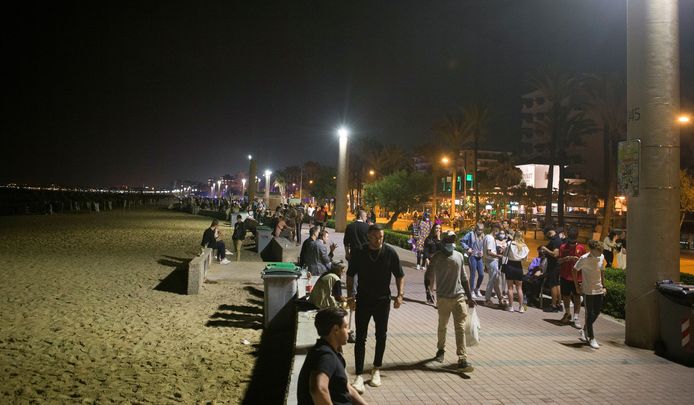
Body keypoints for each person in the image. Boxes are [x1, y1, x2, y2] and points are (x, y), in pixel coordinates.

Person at [346, 224, 405, 394]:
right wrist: (351, 296)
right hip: (363, 300)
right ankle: (358, 374)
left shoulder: (390, 252)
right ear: (368, 237)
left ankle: (376, 369)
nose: (379, 240)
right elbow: (350, 275)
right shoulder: (359, 253)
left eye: (381, 237)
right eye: (376, 237)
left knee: (381, 335)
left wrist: (400, 294)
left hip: (382, 301)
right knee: (361, 337)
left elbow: (400, 275)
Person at [425, 231, 476, 372]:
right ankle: (440, 350)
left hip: (458, 297)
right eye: (448, 239)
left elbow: (464, 278)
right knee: (443, 326)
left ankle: (462, 357)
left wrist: (469, 297)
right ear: (443, 241)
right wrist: (429, 292)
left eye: (452, 240)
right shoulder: (437, 258)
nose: (450, 242)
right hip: (443, 297)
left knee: (460, 327)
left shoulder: (459, 256)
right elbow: (428, 274)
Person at [297, 307, 368, 405]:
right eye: (346, 327)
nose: (349, 331)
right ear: (335, 330)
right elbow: (318, 389)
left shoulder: (328, 352)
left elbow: (347, 388)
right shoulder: (325, 356)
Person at [572, 240, 607, 349]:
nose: (601, 253)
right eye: (599, 251)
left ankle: (585, 329)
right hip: (588, 289)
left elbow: (602, 271)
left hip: (599, 288)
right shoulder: (584, 258)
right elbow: (574, 270)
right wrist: (577, 286)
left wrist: (604, 286)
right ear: (592, 250)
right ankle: (591, 337)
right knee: (589, 313)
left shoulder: (601, 257)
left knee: (596, 312)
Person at [557, 227, 586, 326]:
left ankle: (576, 317)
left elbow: (584, 263)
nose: (572, 242)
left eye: (574, 239)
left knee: (577, 297)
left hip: (577, 277)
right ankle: (568, 313)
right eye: (571, 239)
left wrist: (577, 260)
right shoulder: (563, 247)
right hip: (565, 275)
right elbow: (559, 261)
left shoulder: (581, 248)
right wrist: (566, 259)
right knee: (565, 296)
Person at [502, 231, 529, 312]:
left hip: (510, 266)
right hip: (518, 267)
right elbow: (525, 259)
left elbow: (504, 254)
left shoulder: (510, 244)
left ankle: (511, 306)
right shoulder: (524, 246)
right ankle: (520, 307)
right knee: (519, 288)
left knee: (510, 288)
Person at [540, 227, 563, 312]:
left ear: (549, 233)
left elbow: (555, 254)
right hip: (556, 266)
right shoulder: (557, 239)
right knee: (557, 284)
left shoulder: (556, 241)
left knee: (553, 285)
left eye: (546, 235)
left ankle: (553, 305)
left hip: (554, 266)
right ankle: (559, 304)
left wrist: (545, 249)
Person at [461, 222, 486, 299]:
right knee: (473, 274)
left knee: (481, 274)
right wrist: (468, 248)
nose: (480, 231)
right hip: (472, 256)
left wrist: (482, 251)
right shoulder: (470, 234)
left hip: (479, 257)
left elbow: (484, 245)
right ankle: (471, 290)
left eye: (481, 230)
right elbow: (462, 241)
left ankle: (477, 288)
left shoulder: (483, 236)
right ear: (476, 228)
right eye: (479, 229)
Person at [483, 223, 504, 307]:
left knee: (495, 281)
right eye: (498, 231)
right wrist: (498, 256)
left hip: (489, 261)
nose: (498, 233)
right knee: (492, 281)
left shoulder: (486, 237)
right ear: (495, 229)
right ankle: (487, 300)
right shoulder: (490, 238)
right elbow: (489, 252)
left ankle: (500, 298)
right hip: (492, 261)